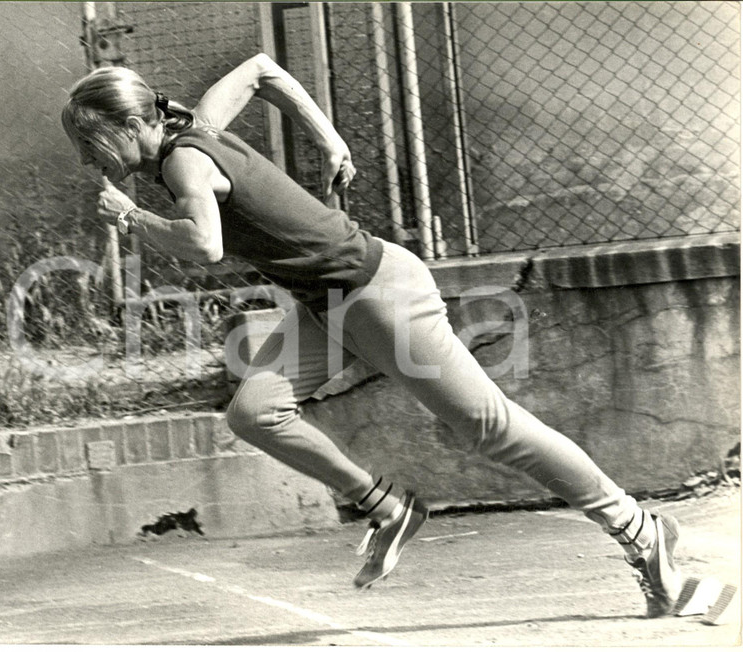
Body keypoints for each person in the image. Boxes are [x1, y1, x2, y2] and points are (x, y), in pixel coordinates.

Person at [61, 53, 685, 617]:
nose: (89, 161)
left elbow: (203, 244)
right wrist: (328, 137)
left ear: (124, 126)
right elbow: (259, 69)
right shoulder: (193, 123)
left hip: (380, 296)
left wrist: (132, 217)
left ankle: (638, 529)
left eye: (90, 145)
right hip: (326, 301)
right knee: (255, 412)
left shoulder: (185, 164)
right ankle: (387, 506)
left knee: (490, 428)